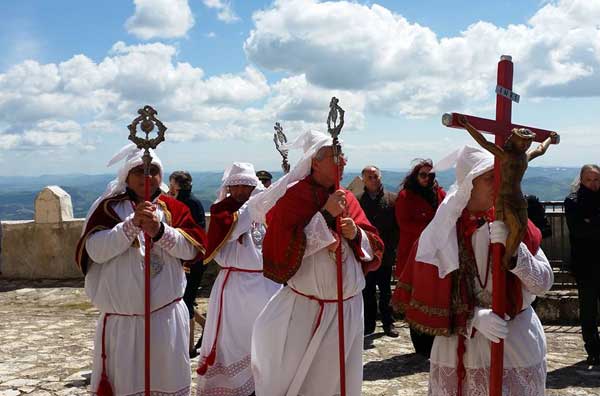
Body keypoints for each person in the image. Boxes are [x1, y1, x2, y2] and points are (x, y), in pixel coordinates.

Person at [393, 145, 554, 396]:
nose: (499, 184)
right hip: (461, 346)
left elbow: (543, 283)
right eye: (490, 178)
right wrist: (473, 317)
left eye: (501, 177)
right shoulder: (443, 234)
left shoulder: (516, 222)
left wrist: (515, 253)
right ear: (470, 184)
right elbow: (430, 295)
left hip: (515, 344)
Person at [251, 130, 384, 396]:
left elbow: (374, 243)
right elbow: (280, 248)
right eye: (336, 157)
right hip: (311, 310)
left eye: (343, 155)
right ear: (315, 162)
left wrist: (355, 234)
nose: (344, 161)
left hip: (349, 307)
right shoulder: (294, 197)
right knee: (309, 382)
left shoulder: (346, 195)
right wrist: (325, 217)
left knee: (342, 381)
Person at [75, 144, 207, 396]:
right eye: (139, 170)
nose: (146, 177)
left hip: (165, 319)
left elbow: (191, 251)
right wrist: (131, 226)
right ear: (126, 175)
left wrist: (159, 231)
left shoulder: (173, 208)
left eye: (153, 170)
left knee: (166, 383)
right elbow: (95, 251)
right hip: (124, 324)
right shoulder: (108, 208)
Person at [195, 162, 280, 396]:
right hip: (236, 287)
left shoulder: (260, 209)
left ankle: (264, 385)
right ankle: (235, 388)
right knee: (235, 342)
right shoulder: (223, 210)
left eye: (248, 185)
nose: (242, 191)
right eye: (238, 185)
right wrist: (258, 201)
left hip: (267, 282)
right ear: (229, 187)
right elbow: (232, 230)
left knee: (266, 339)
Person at [394, 159, 446, 357]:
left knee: (433, 299)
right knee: (415, 300)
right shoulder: (405, 196)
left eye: (431, 175)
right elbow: (404, 223)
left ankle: (433, 341)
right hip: (413, 256)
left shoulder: (440, 194)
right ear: (415, 176)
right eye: (423, 175)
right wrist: (433, 230)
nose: (427, 179)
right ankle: (420, 344)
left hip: (437, 256)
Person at [355, 165, 399, 337]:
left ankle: (389, 324)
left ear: (380, 177)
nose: (374, 180)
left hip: (386, 254)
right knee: (367, 291)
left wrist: (392, 247)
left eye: (376, 176)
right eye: (370, 177)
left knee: (386, 290)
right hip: (365, 254)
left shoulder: (392, 199)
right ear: (364, 180)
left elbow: (397, 227)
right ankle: (368, 325)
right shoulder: (357, 201)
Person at [169, 170, 207, 358]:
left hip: (188, 259)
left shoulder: (180, 203)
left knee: (186, 301)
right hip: (198, 258)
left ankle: (190, 345)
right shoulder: (195, 201)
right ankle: (205, 324)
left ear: (175, 185)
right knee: (188, 298)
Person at [564, 164, 600, 365]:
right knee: (588, 311)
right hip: (586, 265)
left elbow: (588, 228)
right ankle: (593, 350)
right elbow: (579, 231)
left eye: (596, 180)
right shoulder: (573, 201)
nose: (593, 184)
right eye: (589, 180)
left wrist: (591, 221)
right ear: (581, 180)